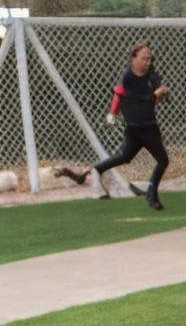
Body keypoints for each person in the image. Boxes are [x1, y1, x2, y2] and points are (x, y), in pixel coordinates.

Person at [57, 41, 170, 209]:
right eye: (143, 58)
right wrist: (114, 112)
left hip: (146, 126)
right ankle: (151, 195)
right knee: (162, 160)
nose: (147, 62)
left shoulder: (152, 74)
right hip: (139, 128)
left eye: (149, 58)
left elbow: (156, 99)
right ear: (133, 59)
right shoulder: (129, 78)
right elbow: (141, 99)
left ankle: (93, 171)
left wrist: (162, 93)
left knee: (125, 157)